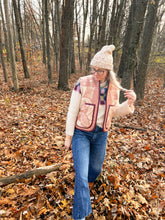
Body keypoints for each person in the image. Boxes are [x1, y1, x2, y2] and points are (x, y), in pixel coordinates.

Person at [65, 45, 136, 220]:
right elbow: (72, 111)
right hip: (81, 133)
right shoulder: (82, 83)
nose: (96, 74)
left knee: (95, 169)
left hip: (101, 135)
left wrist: (130, 104)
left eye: (100, 71)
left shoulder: (113, 88)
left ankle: (84, 189)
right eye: (94, 69)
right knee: (80, 175)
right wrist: (68, 137)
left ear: (108, 72)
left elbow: (113, 111)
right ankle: (80, 214)